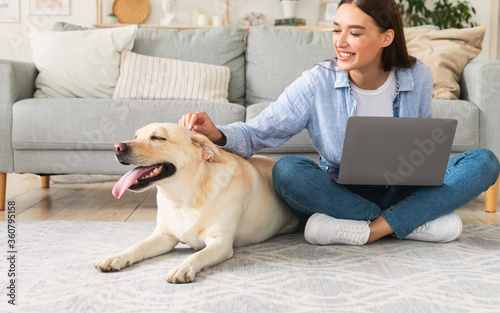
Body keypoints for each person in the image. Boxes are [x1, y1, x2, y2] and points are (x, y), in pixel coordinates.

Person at [179, 0, 500, 246]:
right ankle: (410, 221)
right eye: (337, 30)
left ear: (386, 37)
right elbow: (257, 134)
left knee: (484, 161)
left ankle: (371, 229)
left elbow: (422, 143)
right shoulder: (316, 82)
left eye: (355, 33)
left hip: (402, 187)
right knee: (287, 170)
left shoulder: (417, 76)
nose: (341, 41)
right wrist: (216, 133)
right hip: (340, 191)